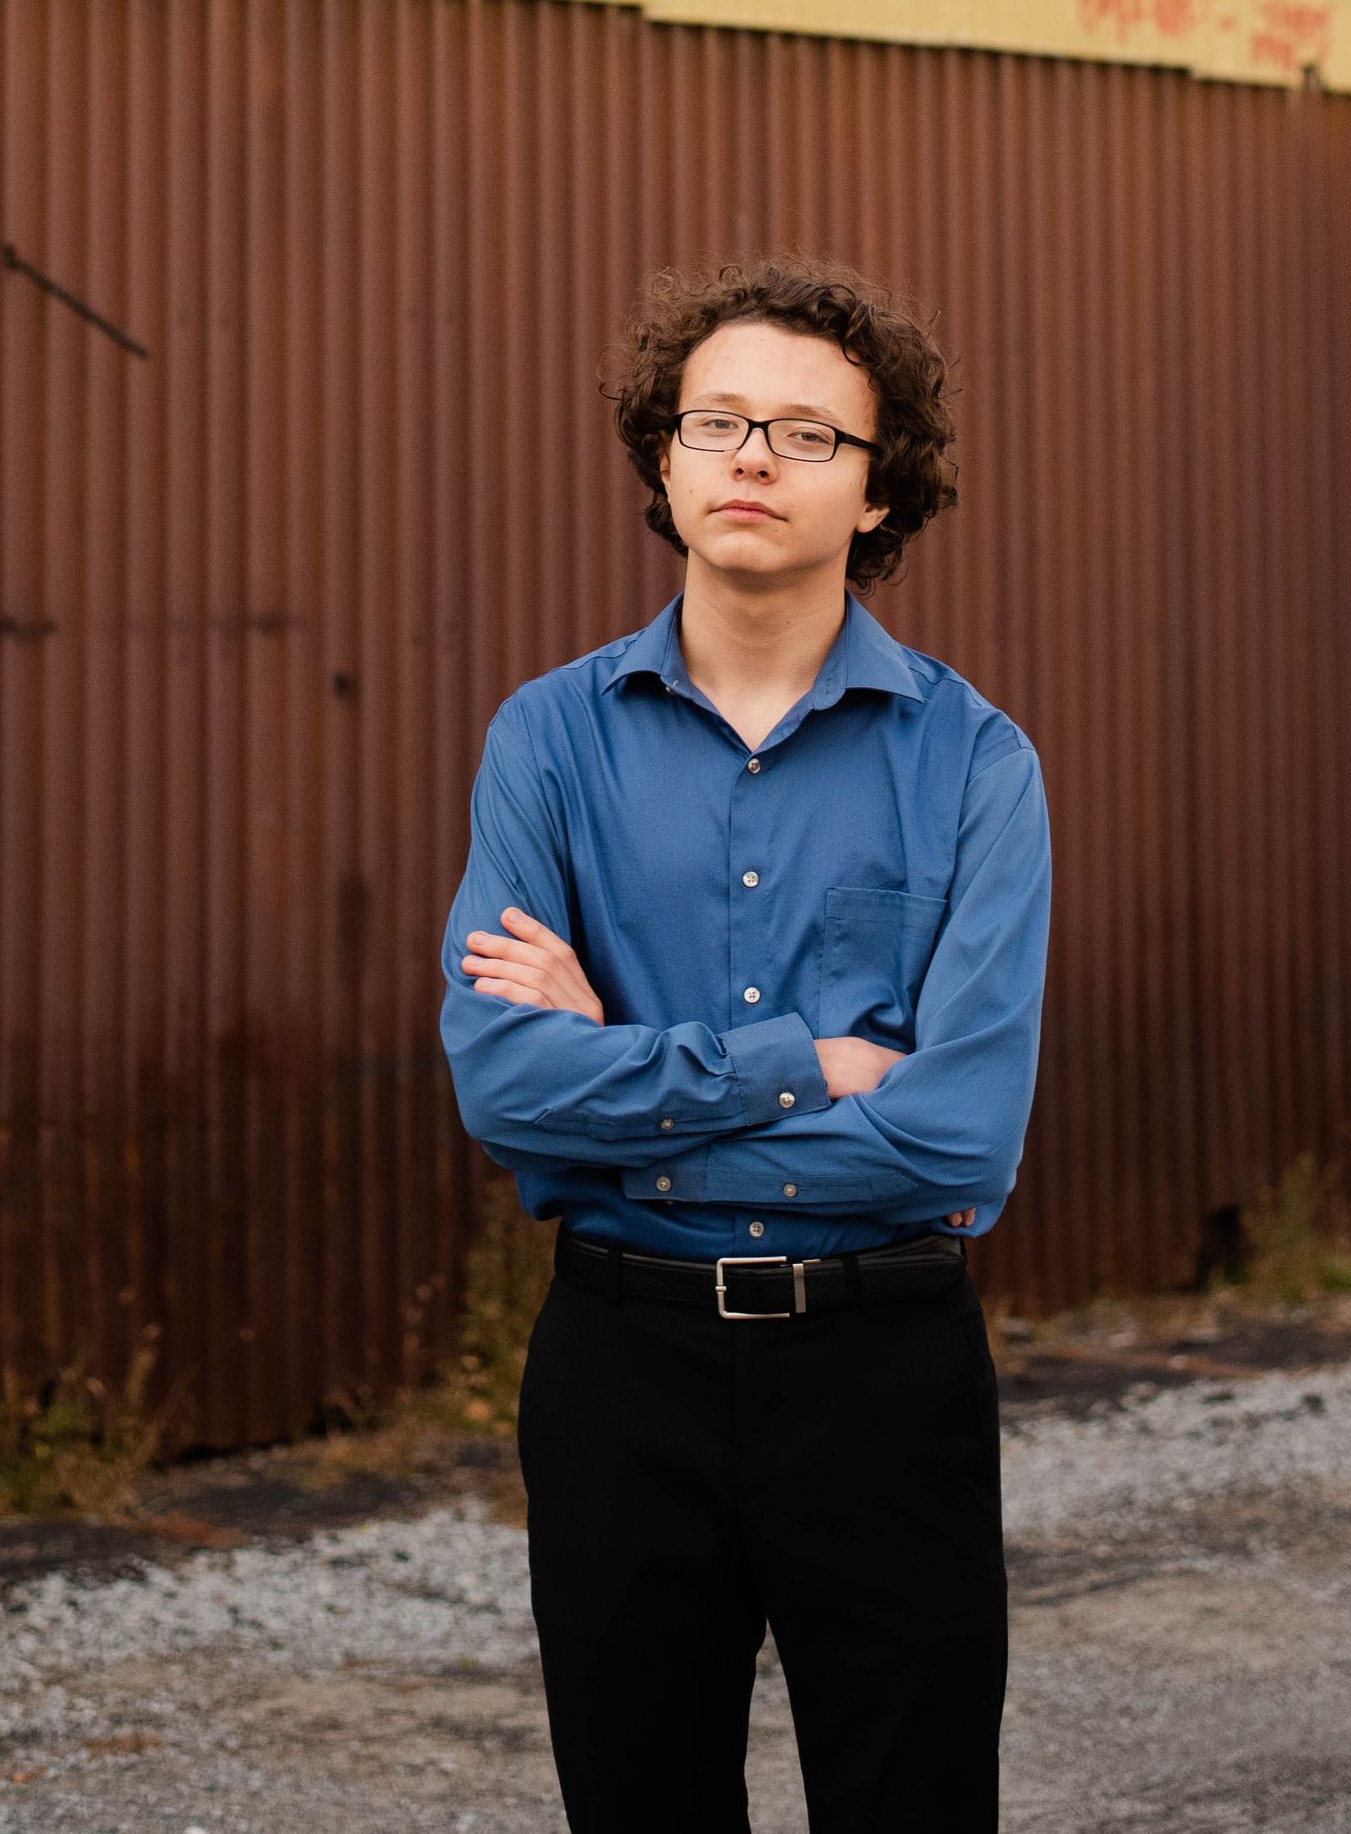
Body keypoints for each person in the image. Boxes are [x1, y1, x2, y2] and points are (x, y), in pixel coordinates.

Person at [441, 255, 1051, 1834]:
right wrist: (808, 1065)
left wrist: (623, 1089)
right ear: (664, 458)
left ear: (879, 489)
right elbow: (505, 1087)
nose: (754, 457)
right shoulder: (547, 741)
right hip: (620, 1373)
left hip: (884, 1374)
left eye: (807, 432)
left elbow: (961, 1133)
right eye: (716, 420)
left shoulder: (979, 763)